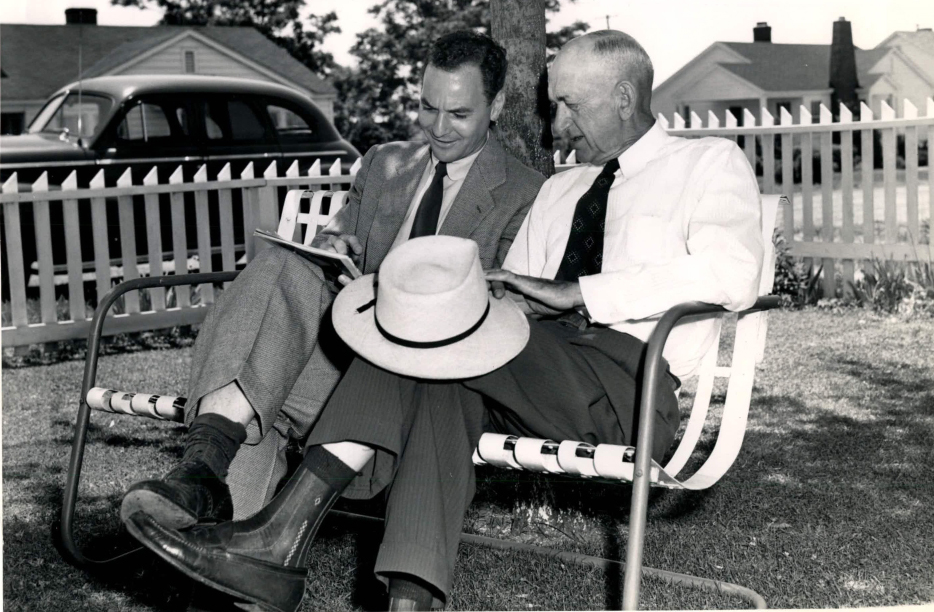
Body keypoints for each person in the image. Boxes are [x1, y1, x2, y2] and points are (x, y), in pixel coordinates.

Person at [126, 30, 765, 612]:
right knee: (438, 359)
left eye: (570, 104)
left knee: (433, 341)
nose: (557, 124)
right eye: (555, 105)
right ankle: (410, 601)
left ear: (625, 96)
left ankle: (278, 534)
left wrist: (577, 292)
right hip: (525, 373)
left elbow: (735, 273)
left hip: (630, 380)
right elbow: (506, 297)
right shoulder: (561, 190)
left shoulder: (706, 164)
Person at [120, 30, 545, 529]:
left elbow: (499, 313)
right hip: (343, 358)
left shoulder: (525, 193)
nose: (439, 128)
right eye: (428, 109)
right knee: (281, 267)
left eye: (459, 114)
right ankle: (204, 475)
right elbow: (337, 237)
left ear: (495, 107)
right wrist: (332, 248)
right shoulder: (387, 164)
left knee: (265, 388)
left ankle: (216, 529)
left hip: (420, 386)